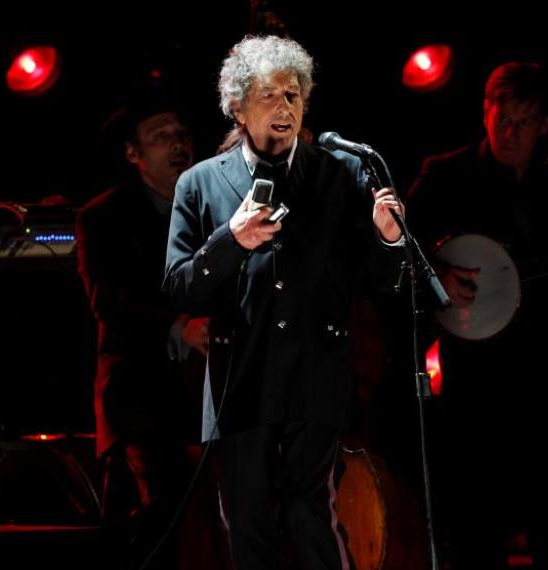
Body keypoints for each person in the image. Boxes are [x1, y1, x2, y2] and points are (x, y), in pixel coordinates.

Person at [163, 35, 404, 570]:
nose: (284, 107)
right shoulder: (199, 184)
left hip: (315, 374)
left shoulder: (338, 174)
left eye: (293, 96)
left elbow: (378, 283)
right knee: (247, 522)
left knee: (312, 512)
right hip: (241, 379)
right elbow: (179, 286)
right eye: (270, 95)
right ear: (238, 106)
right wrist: (231, 239)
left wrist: (388, 240)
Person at [404, 61, 548, 568]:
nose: (510, 132)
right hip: (477, 391)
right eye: (502, 118)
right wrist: (438, 279)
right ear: (485, 114)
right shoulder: (445, 176)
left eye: (524, 121)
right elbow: (394, 254)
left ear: (545, 125)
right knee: (477, 534)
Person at [76, 95, 210, 569]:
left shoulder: (214, 207)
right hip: (142, 398)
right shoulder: (104, 216)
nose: (177, 144)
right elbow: (108, 301)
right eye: (161, 137)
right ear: (133, 155)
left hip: (207, 398)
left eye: (182, 135)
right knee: (159, 518)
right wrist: (177, 324)